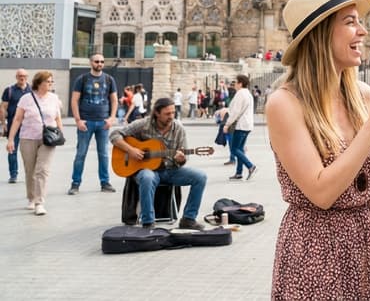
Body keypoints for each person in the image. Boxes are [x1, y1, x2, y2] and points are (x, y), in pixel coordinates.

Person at [266, 0, 370, 300]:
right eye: (350, 22)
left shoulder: (362, 95)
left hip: (367, 244)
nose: (363, 32)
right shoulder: (284, 103)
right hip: (314, 250)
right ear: (319, 35)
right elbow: (321, 192)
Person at [109, 98, 206, 230]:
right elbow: (114, 135)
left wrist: (181, 159)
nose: (171, 116)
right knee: (147, 177)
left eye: (173, 113)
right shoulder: (143, 124)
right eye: (167, 114)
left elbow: (184, 158)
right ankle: (148, 222)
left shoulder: (178, 129)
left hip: (170, 171)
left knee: (200, 176)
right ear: (156, 113)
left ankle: (188, 219)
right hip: (149, 171)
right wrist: (131, 150)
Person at [5, 71, 62, 215]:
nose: (50, 84)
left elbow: (57, 118)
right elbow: (17, 119)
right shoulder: (26, 99)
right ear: (39, 83)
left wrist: (60, 134)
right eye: (47, 81)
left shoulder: (54, 98)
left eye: (51, 81)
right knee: (30, 171)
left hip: (48, 139)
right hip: (27, 138)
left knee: (42, 170)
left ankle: (39, 202)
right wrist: (11, 139)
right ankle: (31, 198)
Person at [68, 55, 118, 195]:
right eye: (97, 61)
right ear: (91, 63)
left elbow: (114, 100)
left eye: (102, 61)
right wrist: (78, 120)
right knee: (80, 154)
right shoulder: (82, 79)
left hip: (103, 123)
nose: (100, 63)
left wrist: (111, 118)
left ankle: (105, 182)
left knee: (103, 154)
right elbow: (74, 100)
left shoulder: (109, 79)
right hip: (86, 122)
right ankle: (75, 184)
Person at [224, 74, 257, 180]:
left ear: (240, 83)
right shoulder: (248, 94)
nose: (234, 85)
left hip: (241, 125)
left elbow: (235, 112)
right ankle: (239, 172)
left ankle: (250, 166)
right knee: (240, 149)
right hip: (247, 125)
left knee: (234, 149)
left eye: (235, 82)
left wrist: (227, 124)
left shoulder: (240, 94)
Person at [2, 69, 31, 184]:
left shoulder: (32, 90)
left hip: (29, 126)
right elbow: (3, 107)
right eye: (19, 76)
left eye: (24, 76)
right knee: (12, 150)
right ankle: (13, 174)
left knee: (29, 152)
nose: (22, 78)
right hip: (13, 125)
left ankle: (30, 174)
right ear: (16, 77)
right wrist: (3, 124)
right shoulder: (9, 90)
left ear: (27, 77)